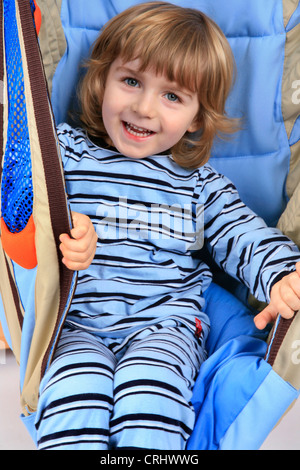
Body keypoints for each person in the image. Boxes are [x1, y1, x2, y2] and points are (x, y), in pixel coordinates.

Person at [35, 2, 300, 450]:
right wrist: (60, 227)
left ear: (197, 116)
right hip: (73, 322)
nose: (143, 108)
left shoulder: (198, 184)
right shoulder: (64, 152)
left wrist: (281, 276)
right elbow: (22, 197)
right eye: (131, 81)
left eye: (172, 96)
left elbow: (244, 236)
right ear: (103, 81)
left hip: (165, 323)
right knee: (71, 393)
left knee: (151, 392)